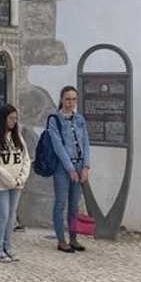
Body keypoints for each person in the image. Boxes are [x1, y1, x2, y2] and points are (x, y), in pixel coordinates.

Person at [0, 104, 31, 263]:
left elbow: (25, 158)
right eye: (11, 118)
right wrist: (10, 180)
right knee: (3, 215)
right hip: (0, 184)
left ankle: (8, 246)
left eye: (16, 118)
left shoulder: (16, 134)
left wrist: (21, 178)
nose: (14, 121)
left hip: (17, 183)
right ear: (3, 118)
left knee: (11, 216)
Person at [48, 86, 91, 253]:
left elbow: (86, 142)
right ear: (61, 99)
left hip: (80, 165)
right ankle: (61, 240)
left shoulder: (79, 119)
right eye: (67, 99)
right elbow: (58, 146)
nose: (71, 102)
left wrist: (86, 166)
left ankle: (73, 238)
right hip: (62, 167)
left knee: (74, 205)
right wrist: (70, 169)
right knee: (60, 203)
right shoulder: (54, 120)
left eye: (73, 99)